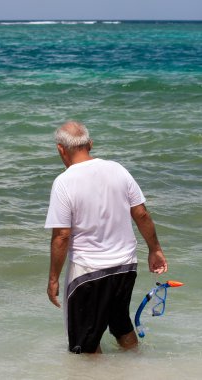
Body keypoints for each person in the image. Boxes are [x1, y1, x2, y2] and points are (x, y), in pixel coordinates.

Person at [45, 121, 167, 354]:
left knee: (85, 345)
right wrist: (155, 249)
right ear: (90, 144)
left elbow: (61, 236)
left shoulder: (63, 182)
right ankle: (136, 367)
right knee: (120, 324)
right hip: (125, 265)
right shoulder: (118, 169)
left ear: (61, 149)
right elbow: (141, 213)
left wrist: (53, 279)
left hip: (88, 272)